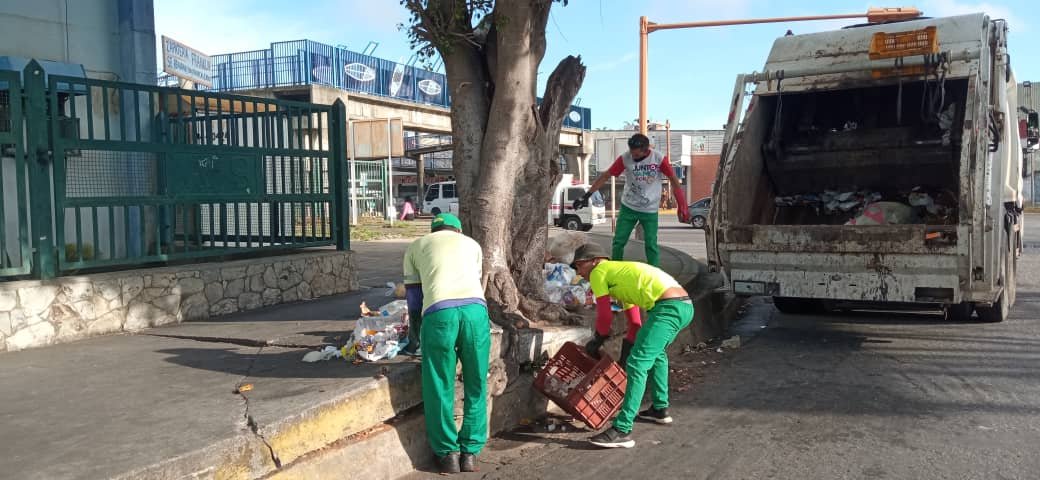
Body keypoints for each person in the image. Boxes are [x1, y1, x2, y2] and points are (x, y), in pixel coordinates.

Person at [570, 243, 694, 449]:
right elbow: (635, 323)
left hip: (668, 309)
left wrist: (597, 340)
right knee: (657, 356)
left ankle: (622, 429)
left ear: (594, 261)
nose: (579, 273)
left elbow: (604, 315)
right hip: (682, 306)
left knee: (637, 364)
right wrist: (627, 345)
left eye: (579, 266)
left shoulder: (599, 272)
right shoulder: (620, 274)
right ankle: (659, 409)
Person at [402, 213, 490, 474]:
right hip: (475, 312)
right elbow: (473, 280)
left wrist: (415, 335)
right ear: (459, 230)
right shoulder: (472, 245)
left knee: (439, 384)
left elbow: (414, 299)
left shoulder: (416, 246)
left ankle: (447, 454)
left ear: (432, 230)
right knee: (476, 382)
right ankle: (470, 452)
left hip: (439, 313)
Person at [574, 134, 689, 267]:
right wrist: (587, 195)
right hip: (628, 207)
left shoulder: (658, 158)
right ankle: (615, 270)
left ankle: (655, 274)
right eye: (631, 153)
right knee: (618, 242)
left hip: (650, 210)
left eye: (636, 155)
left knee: (651, 244)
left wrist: (682, 204)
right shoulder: (625, 158)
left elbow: (674, 181)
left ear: (646, 150)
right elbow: (605, 176)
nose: (633, 157)